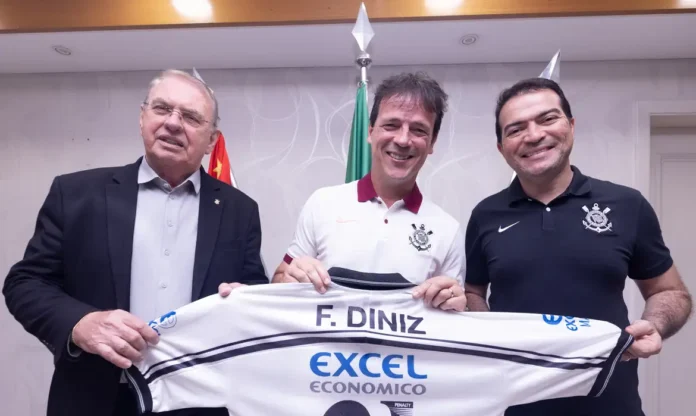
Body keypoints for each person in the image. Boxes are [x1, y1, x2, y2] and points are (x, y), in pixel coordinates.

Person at [3, 69, 268, 416]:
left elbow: (253, 294)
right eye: (162, 109)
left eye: (190, 117)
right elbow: (25, 283)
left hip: (197, 401)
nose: (173, 123)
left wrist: (244, 301)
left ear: (211, 141)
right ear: (142, 118)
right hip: (94, 399)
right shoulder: (76, 194)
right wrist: (80, 323)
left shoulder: (240, 210)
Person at [464, 77, 692, 415]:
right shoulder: (485, 215)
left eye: (547, 119)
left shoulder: (627, 204)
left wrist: (654, 325)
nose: (533, 135)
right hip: (513, 405)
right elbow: (472, 292)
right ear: (501, 147)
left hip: (610, 404)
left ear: (570, 126)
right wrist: (484, 335)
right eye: (516, 129)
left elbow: (670, 292)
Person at [271, 72, 466, 310]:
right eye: (391, 125)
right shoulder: (321, 203)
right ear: (370, 132)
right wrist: (289, 278)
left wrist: (457, 306)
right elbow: (277, 286)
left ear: (432, 142)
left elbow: (452, 317)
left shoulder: (448, 230)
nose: (403, 140)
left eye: (418, 130)